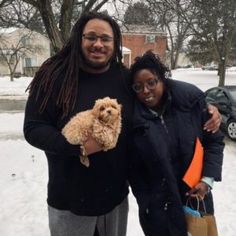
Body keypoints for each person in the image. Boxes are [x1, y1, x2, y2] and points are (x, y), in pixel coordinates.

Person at [23, 12, 221, 236]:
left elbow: (161, 86)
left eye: (105, 39)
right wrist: (77, 147)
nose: (98, 44)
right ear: (80, 38)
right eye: (91, 37)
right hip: (70, 202)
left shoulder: (124, 78)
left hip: (114, 200)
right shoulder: (54, 77)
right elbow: (33, 128)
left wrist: (207, 105)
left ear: (115, 42)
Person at [128, 51, 225, 236]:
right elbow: (133, 169)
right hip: (158, 212)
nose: (145, 91)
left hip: (197, 201)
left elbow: (214, 142)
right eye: (138, 87)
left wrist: (207, 180)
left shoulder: (191, 104)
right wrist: (146, 201)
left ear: (162, 80)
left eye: (151, 82)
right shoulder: (134, 122)